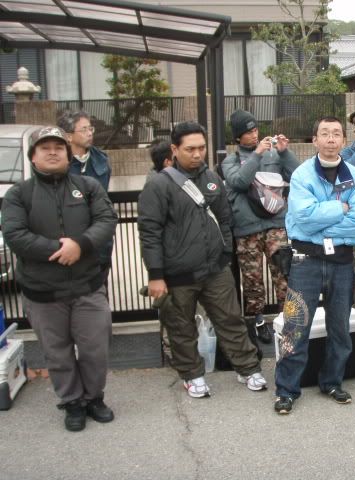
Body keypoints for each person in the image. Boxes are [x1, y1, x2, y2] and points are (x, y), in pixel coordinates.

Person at [137, 121, 266, 398]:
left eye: (201, 148)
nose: (197, 154)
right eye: (190, 149)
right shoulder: (159, 185)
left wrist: (225, 254)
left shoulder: (212, 178)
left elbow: (225, 218)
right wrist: (156, 275)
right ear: (174, 149)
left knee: (230, 320)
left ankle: (247, 368)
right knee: (181, 327)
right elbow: (149, 233)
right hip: (177, 273)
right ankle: (192, 375)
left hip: (215, 269)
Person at [1, 126, 118, 432]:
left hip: (88, 286)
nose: (52, 152)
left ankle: (94, 397)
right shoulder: (18, 194)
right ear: (33, 156)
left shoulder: (88, 186)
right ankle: (72, 402)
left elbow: (106, 219)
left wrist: (80, 245)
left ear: (68, 155)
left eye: (58, 147)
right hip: (42, 292)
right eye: (45, 148)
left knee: (95, 349)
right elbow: (15, 234)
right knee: (57, 354)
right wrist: (59, 249)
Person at [273, 116, 355, 414]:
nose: (330, 139)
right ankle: (286, 389)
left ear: (344, 140)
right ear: (314, 140)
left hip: (342, 263)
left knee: (340, 328)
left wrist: (321, 221)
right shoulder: (302, 175)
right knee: (295, 326)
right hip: (306, 262)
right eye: (324, 133)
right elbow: (303, 217)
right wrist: (340, 208)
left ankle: (332, 381)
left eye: (336, 133)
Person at [222, 109, 299, 344]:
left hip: (276, 223)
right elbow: (239, 181)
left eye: (255, 130)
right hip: (247, 229)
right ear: (238, 137)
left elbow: (297, 175)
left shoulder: (274, 154)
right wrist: (256, 155)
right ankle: (258, 321)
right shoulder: (230, 161)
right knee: (252, 279)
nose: (254, 135)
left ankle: (287, 320)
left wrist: (284, 152)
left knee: (284, 273)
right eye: (248, 132)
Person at [57, 111, 113, 282]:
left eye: (91, 129)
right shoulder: (59, 163)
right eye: (83, 130)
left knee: (100, 287)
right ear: (68, 136)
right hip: (70, 239)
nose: (89, 133)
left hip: (99, 240)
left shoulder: (102, 159)